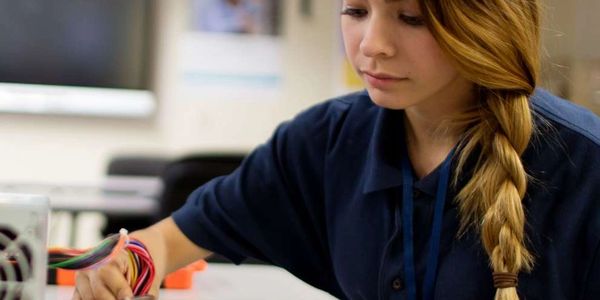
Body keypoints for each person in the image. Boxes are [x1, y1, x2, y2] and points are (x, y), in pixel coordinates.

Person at [72, 0, 600, 299]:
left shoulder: (585, 165)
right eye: (355, 10)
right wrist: (127, 267)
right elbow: (165, 242)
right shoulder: (324, 141)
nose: (371, 43)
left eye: (411, 18)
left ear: (483, 26)